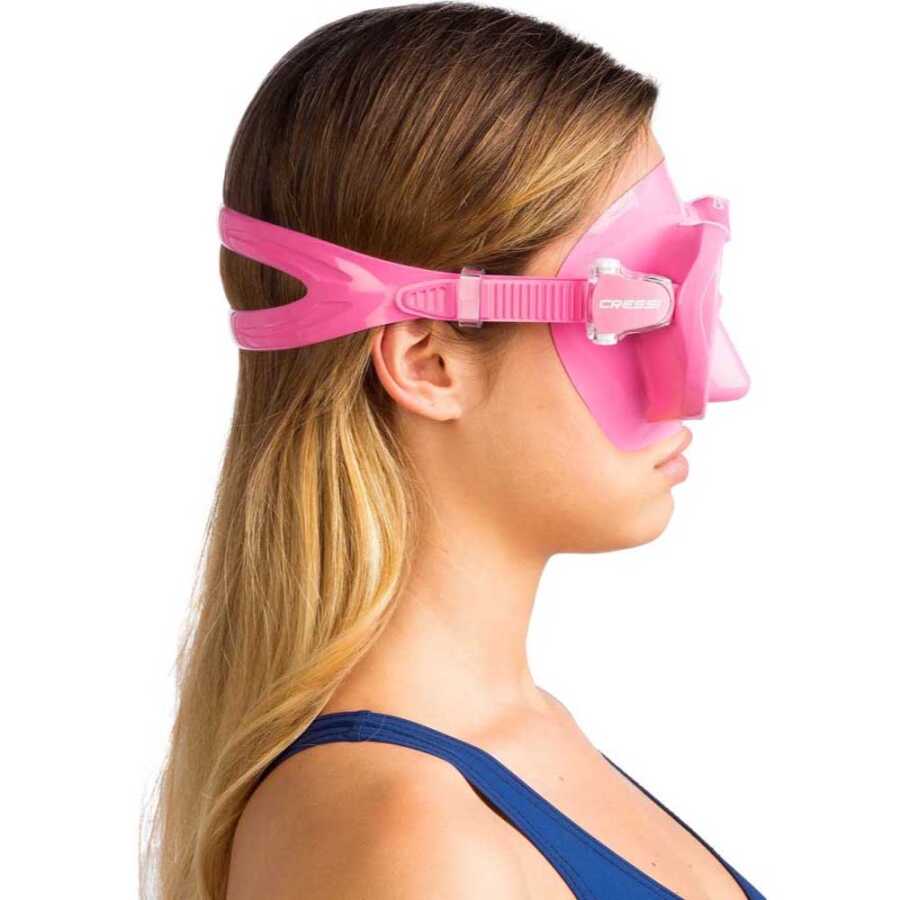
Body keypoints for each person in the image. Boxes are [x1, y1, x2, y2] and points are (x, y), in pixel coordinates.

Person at [141, 4, 764, 899]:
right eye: (634, 308)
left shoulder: (518, 744)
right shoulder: (411, 838)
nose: (721, 378)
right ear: (428, 362)